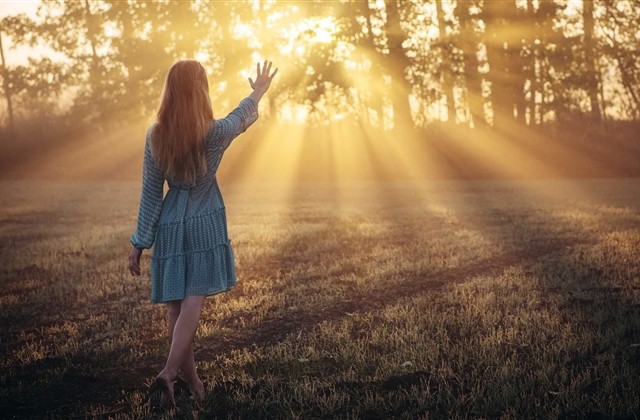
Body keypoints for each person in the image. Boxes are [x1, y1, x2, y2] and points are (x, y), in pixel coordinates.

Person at [127, 60, 277, 406]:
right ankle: (168, 374)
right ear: (201, 90)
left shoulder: (156, 134)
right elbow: (241, 117)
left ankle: (193, 383)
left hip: (169, 223)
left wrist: (140, 243)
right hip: (204, 219)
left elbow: (151, 193)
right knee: (194, 299)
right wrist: (258, 90)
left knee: (176, 308)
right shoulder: (214, 132)